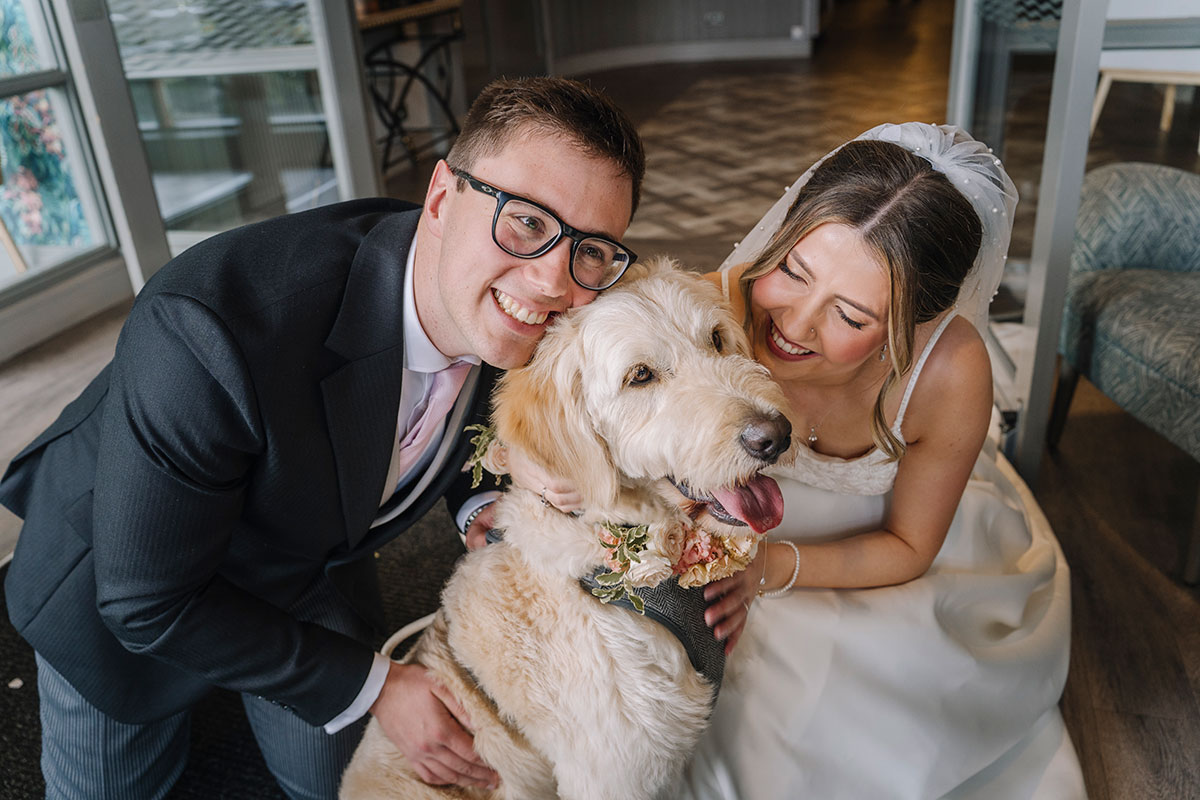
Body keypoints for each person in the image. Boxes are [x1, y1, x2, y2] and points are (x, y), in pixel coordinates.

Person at [0, 76, 644, 800]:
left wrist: (483, 505)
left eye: (592, 249)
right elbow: (146, 601)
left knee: (345, 780)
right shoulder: (206, 330)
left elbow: (484, 413)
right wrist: (380, 685)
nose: (555, 280)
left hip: (307, 552)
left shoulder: (505, 304)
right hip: (128, 584)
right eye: (526, 221)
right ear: (440, 198)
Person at [520, 123, 1085, 798]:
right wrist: (530, 465)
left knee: (854, 699)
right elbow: (567, 384)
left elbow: (909, 545)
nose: (794, 325)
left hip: (872, 553)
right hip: (732, 538)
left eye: (850, 316)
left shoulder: (950, 373)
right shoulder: (699, 315)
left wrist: (769, 569)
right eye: (792, 270)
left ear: (915, 325)